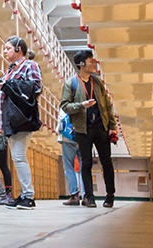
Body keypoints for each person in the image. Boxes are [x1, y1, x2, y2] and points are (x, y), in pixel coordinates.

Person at [60, 49, 119, 208]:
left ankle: (110, 195)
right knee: (86, 163)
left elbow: (107, 105)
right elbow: (65, 106)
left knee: (107, 162)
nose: (93, 63)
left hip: (101, 127)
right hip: (83, 129)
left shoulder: (98, 82)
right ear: (81, 64)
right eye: (90, 60)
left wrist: (112, 127)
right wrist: (81, 105)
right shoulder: (70, 83)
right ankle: (89, 197)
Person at [0, 36, 42, 209]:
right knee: (16, 157)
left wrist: (10, 84)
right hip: (10, 119)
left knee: (19, 157)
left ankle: (28, 196)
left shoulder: (30, 65)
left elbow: (36, 88)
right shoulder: (9, 69)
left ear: (18, 49)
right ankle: (24, 194)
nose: (5, 51)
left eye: (8, 48)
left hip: (22, 117)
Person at [58, 110, 83, 205]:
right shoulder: (84, 99)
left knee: (69, 167)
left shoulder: (65, 104)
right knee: (84, 168)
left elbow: (61, 122)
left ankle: (74, 195)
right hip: (82, 137)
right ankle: (86, 196)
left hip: (67, 138)